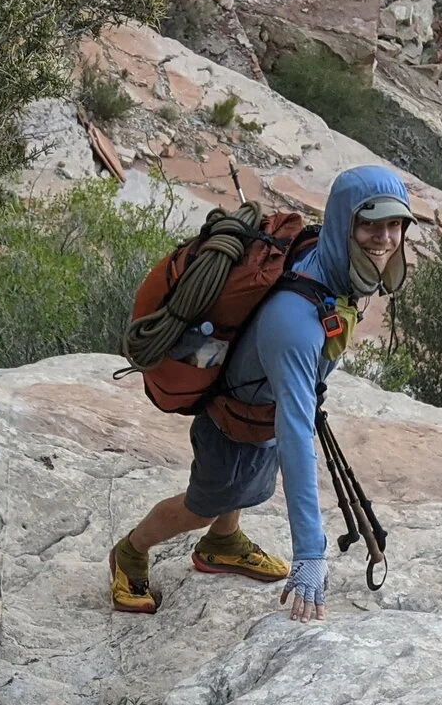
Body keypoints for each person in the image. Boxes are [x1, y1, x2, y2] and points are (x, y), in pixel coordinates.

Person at [110, 163, 412, 623]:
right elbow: (294, 436)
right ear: (344, 223)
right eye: (370, 223)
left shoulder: (329, 264)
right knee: (203, 503)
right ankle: (131, 551)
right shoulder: (295, 322)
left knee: (245, 485)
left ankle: (223, 543)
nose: (384, 238)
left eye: (395, 224)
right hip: (234, 417)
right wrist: (310, 553)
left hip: (258, 407)